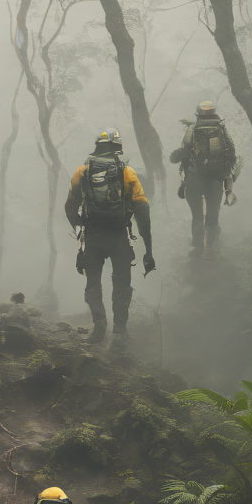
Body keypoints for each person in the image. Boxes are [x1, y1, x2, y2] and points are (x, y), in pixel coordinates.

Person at [65, 129, 154, 345]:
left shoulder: (81, 172)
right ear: (117, 148)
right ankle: (120, 332)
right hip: (118, 237)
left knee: (92, 283)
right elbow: (142, 210)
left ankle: (99, 324)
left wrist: (80, 229)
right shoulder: (127, 173)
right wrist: (148, 250)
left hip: (92, 237)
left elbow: (70, 207)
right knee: (122, 284)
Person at [169, 101, 239, 260]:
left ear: (197, 114)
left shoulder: (192, 129)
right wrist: (228, 185)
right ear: (214, 112)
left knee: (197, 215)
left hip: (194, 179)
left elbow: (183, 155)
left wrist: (183, 182)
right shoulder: (221, 130)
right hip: (215, 179)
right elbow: (231, 155)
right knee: (213, 215)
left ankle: (198, 248)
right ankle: (213, 249)